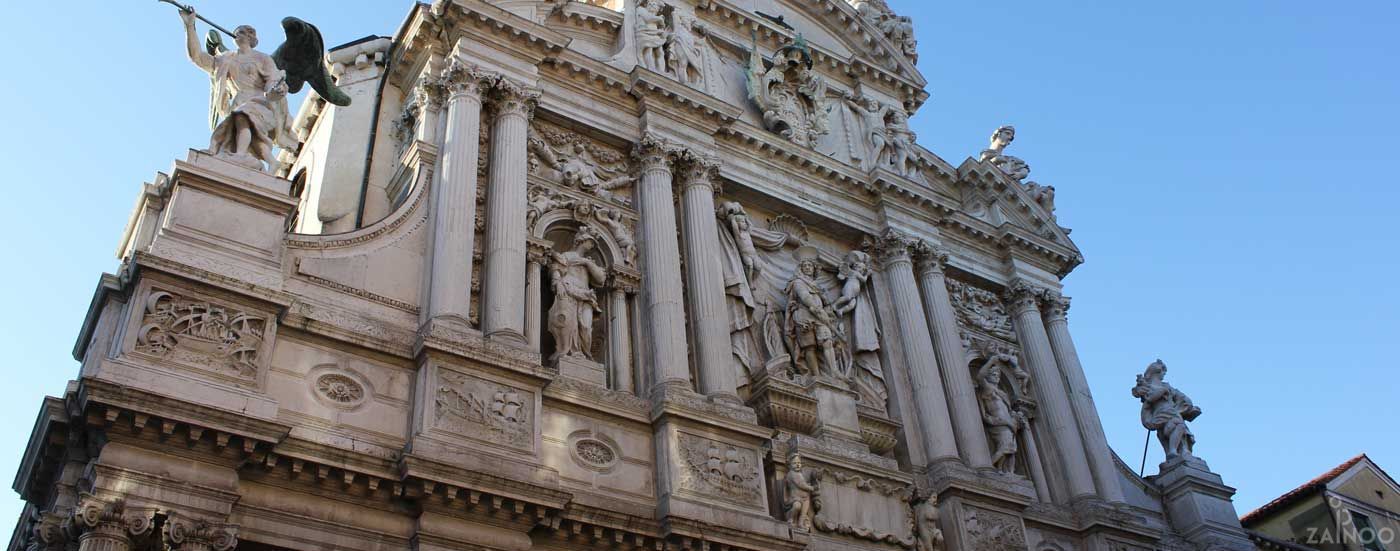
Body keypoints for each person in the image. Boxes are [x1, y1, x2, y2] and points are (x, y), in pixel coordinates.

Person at [178, 7, 292, 171]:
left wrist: (274, 93)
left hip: (261, 102)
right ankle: (271, 162)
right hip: (239, 102)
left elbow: (274, 82)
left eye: (241, 32)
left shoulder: (262, 59)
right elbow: (196, 57)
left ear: (250, 37)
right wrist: (189, 26)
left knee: (242, 116)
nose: (236, 34)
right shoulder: (226, 59)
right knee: (252, 134)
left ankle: (240, 155)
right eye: (236, 32)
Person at [547, 227, 608, 361]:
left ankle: (585, 354)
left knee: (586, 327)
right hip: (568, 291)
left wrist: (586, 262)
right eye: (591, 242)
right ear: (581, 240)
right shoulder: (567, 256)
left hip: (586, 296)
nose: (592, 245)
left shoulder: (589, 262)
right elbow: (555, 269)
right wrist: (558, 283)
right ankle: (568, 351)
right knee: (569, 322)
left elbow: (600, 279)